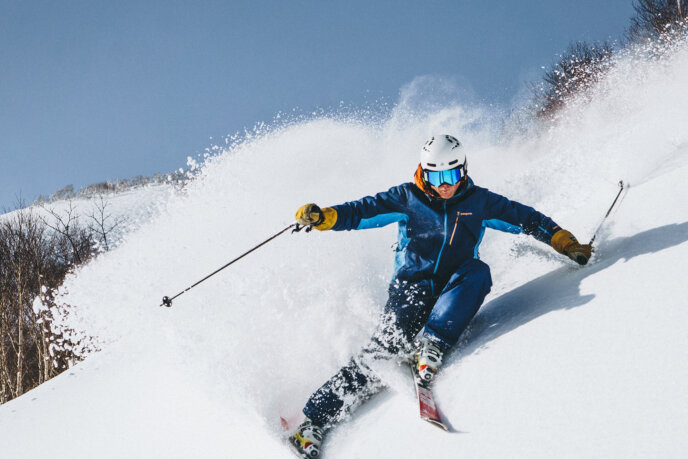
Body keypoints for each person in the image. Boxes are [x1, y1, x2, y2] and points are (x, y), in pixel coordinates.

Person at [288, 135, 592, 458]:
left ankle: (430, 347)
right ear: (424, 172)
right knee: (382, 352)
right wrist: (325, 217)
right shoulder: (408, 198)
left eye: (451, 176)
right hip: (409, 292)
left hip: (453, 291)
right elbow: (361, 212)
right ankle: (312, 423)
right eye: (436, 177)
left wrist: (563, 240)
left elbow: (526, 218)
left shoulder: (479, 202)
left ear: (463, 170)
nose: (445, 185)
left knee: (478, 272)